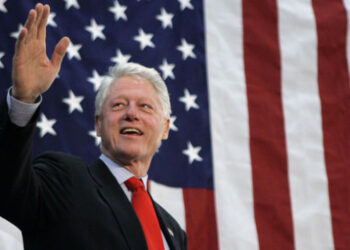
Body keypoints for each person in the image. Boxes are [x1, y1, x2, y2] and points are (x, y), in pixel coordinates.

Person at [0, 3, 187, 250]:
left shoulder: (174, 233)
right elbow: (7, 186)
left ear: (165, 128)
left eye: (145, 107)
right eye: (119, 105)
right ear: (98, 124)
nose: (131, 114)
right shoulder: (64, 179)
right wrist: (24, 98)